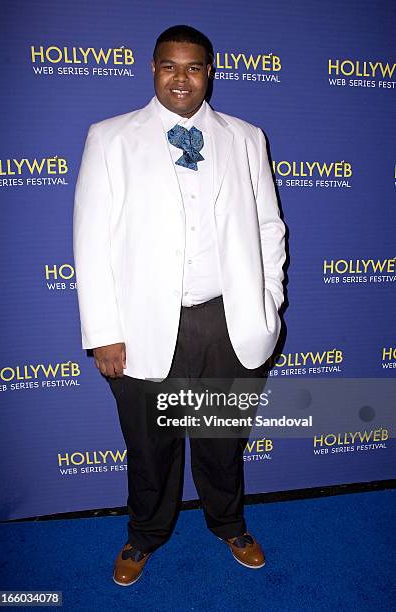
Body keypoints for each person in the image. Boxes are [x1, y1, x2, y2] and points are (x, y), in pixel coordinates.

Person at [73, 24, 286, 586]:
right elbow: (90, 240)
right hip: (143, 324)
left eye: (193, 67)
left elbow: (269, 227)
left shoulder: (246, 137)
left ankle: (229, 524)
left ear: (209, 71)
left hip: (228, 320)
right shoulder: (111, 138)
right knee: (150, 445)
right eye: (170, 65)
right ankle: (144, 535)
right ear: (153, 68)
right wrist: (104, 331)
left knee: (222, 441)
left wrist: (269, 300)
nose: (181, 77)